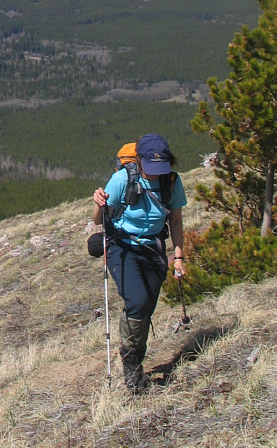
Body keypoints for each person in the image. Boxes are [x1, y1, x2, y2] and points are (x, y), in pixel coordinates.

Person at [92, 133, 187, 392]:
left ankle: (135, 356)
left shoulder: (171, 182)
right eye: (150, 168)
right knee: (138, 302)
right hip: (122, 248)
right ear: (140, 161)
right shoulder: (123, 178)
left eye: (161, 168)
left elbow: (176, 222)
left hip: (153, 249)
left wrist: (178, 257)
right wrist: (99, 203)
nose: (155, 174)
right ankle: (132, 367)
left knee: (145, 310)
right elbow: (99, 219)